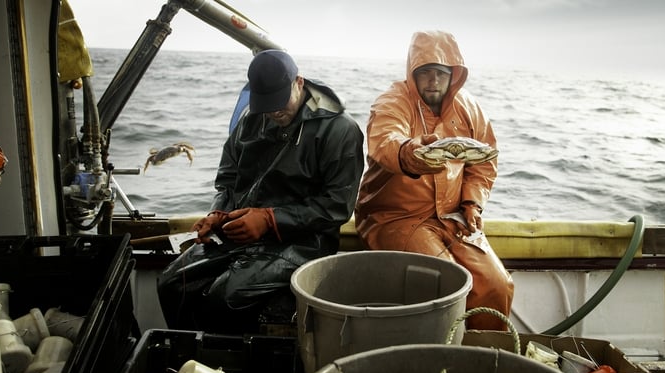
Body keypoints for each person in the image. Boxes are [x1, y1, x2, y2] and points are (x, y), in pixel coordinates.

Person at [157, 49, 365, 333]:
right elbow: (228, 177)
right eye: (266, 105)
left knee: (225, 296)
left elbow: (337, 206)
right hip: (241, 231)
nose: (274, 112)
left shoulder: (341, 130)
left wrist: (270, 219)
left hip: (304, 241)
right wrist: (219, 213)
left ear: (299, 82)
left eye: (280, 102)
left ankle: (224, 372)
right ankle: (188, 364)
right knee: (171, 282)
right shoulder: (251, 118)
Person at [354, 30, 514, 330]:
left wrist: (473, 203)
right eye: (424, 72)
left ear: (454, 75)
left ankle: (485, 360)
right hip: (396, 217)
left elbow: (485, 161)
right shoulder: (392, 101)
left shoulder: (470, 108)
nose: (433, 81)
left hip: (453, 217)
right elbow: (385, 141)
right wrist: (412, 154)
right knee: (446, 282)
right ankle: (435, 363)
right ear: (412, 73)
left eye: (440, 73)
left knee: (496, 284)